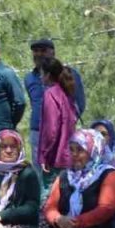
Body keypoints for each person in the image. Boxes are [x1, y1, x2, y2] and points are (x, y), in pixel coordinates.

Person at [25, 39, 86, 157]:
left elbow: (80, 103)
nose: (38, 54)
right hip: (38, 132)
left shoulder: (69, 74)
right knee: (40, 172)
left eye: (43, 51)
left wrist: (67, 123)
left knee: (63, 169)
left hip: (62, 133)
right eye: (35, 51)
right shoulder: (29, 78)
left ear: (52, 53)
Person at [36, 58, 78, 186]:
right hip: (68, 155)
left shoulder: (51, 94)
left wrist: (44, 155)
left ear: (48, 75)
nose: (40, 77)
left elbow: (51, 130)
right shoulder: (65, 93)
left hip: (55, 158)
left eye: (42, 73)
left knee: (47, 199)